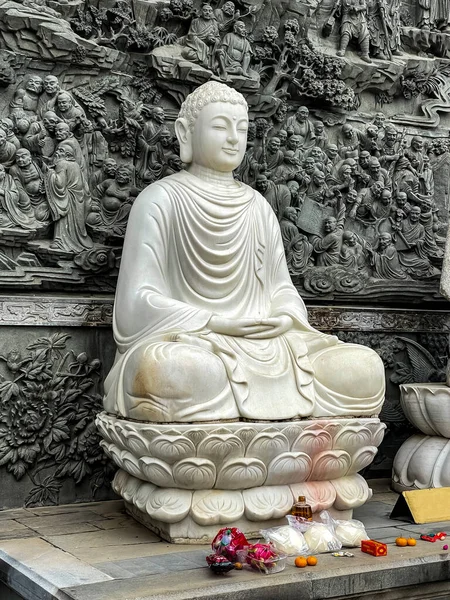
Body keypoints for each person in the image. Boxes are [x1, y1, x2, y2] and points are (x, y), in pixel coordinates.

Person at [103, 81, 385, 422]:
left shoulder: (257, 206)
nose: (234, 138)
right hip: (198, 343)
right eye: (220, 127)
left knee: (364, 368)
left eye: (242, 128)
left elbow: (280, 287)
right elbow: (136, 302)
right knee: (162, 370)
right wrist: (214, 322)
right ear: (185, 133)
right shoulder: (160, 200)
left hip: (270, 346)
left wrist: (283, 316)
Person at [45, 146, 93, 253]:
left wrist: (50, 173)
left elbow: (60, 183)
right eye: (57, 149)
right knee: (76, 221)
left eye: (61, 151)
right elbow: (85, 186)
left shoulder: (62, 164)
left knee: (64, 219)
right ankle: (77, 240)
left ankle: (60, 241)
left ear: (68, 155)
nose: (57, 152)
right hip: (79, 197)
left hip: (68, 197)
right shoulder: (76, 165)